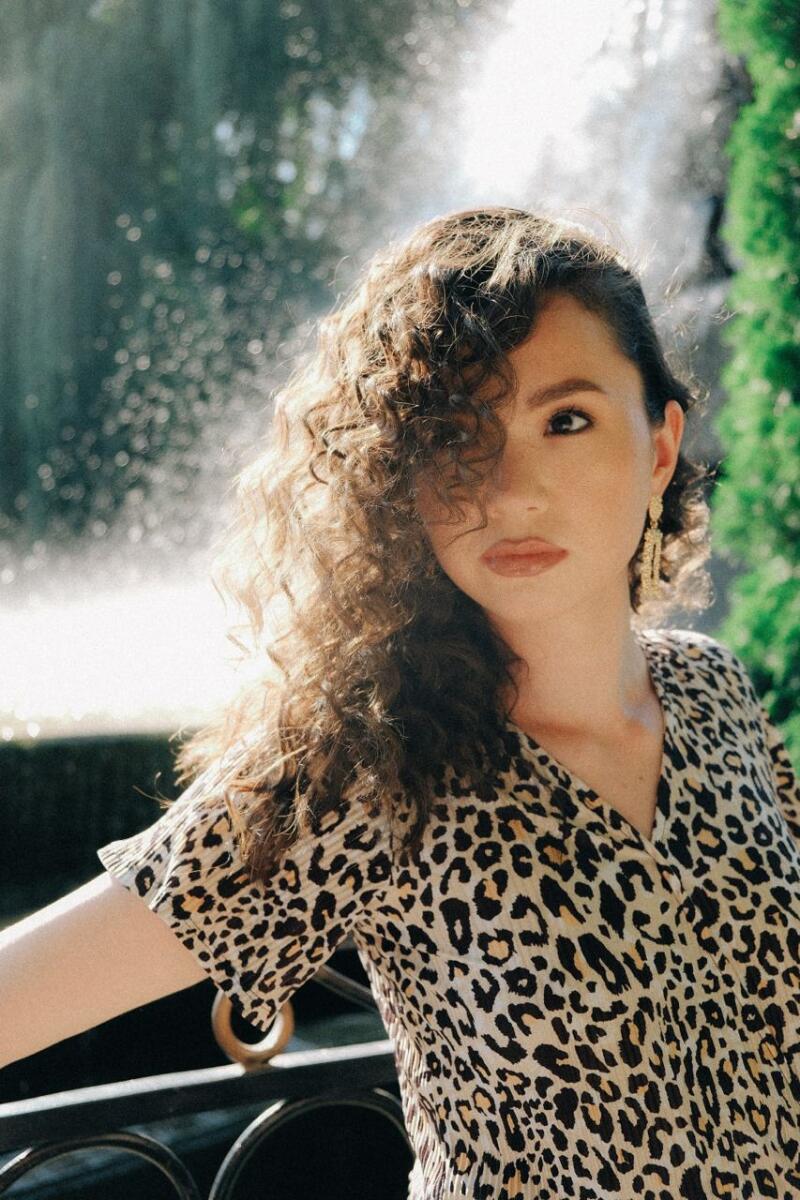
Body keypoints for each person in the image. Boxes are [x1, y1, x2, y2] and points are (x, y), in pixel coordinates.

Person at [2, 206, 799, 1200]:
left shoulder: (710, 691)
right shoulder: (372, 768)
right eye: (457, 433)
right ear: (400, 474)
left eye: (566, 420)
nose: (510, 491)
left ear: (656, 447)